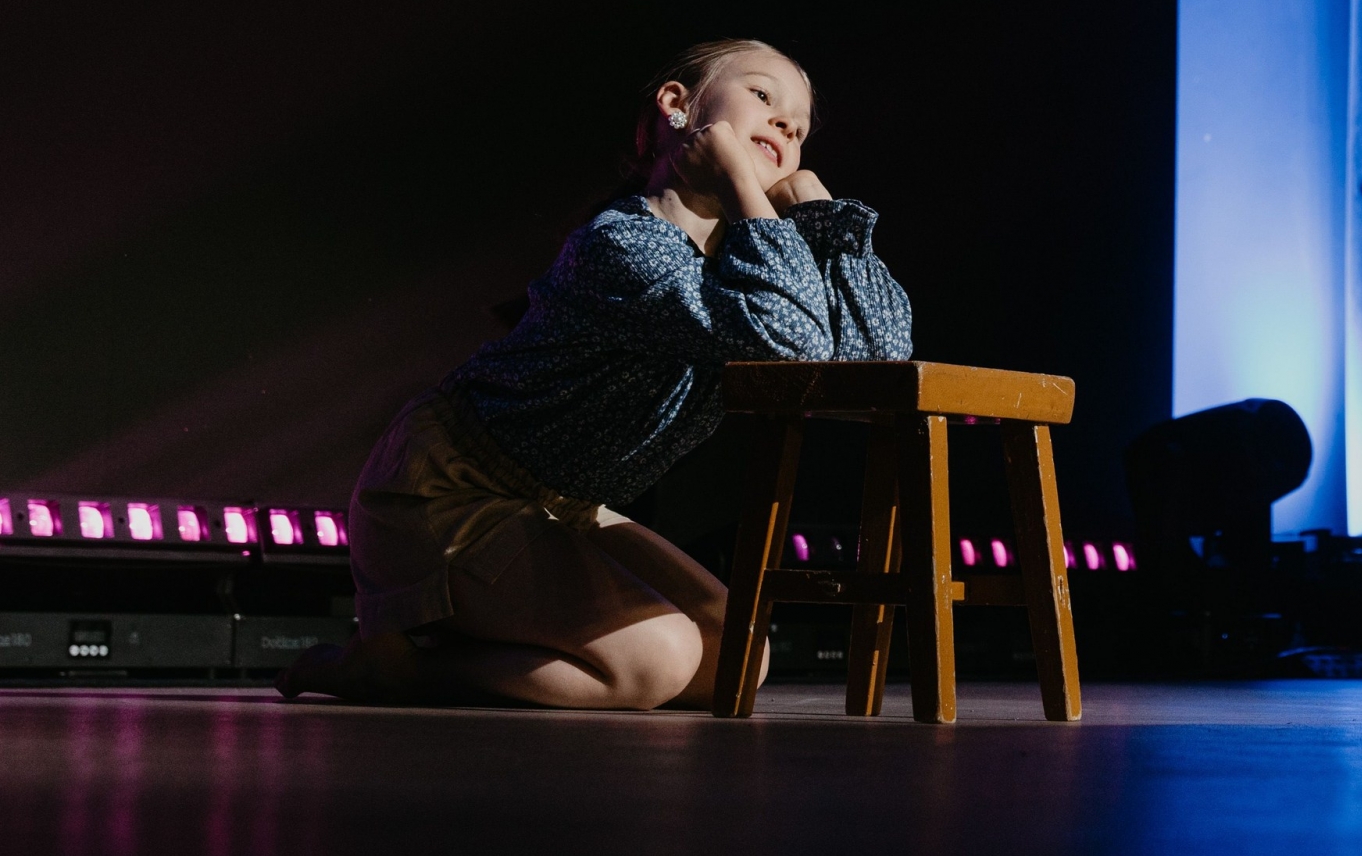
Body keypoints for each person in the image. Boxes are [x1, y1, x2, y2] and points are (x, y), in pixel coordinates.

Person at [278, 39, 913, 709]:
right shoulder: (621, 242)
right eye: (762, 95)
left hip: (564, 507)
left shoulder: (744, 267)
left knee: (738, 658)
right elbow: (793, 343)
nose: (786, 125)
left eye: (800, 129)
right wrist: (741, 185)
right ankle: (396, 669)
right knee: (659, 660)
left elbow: (879, 361)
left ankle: (430, 649)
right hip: (449, 494)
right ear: (676, 105)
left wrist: (817, 212)